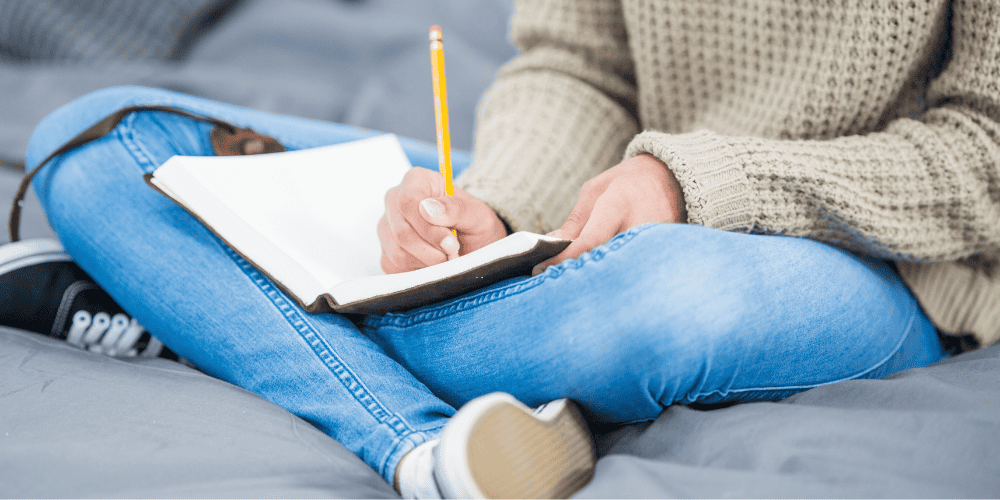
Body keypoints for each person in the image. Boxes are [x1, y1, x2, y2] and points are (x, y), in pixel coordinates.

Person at [3, 0, 998, 498]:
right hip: (595, 208)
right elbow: (573, 67)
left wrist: (692, 184)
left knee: (659, 306)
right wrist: (483, 203)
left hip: (883, 262)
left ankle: (218, 320)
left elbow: (986, 150)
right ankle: (425, 447)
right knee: (98, 143)